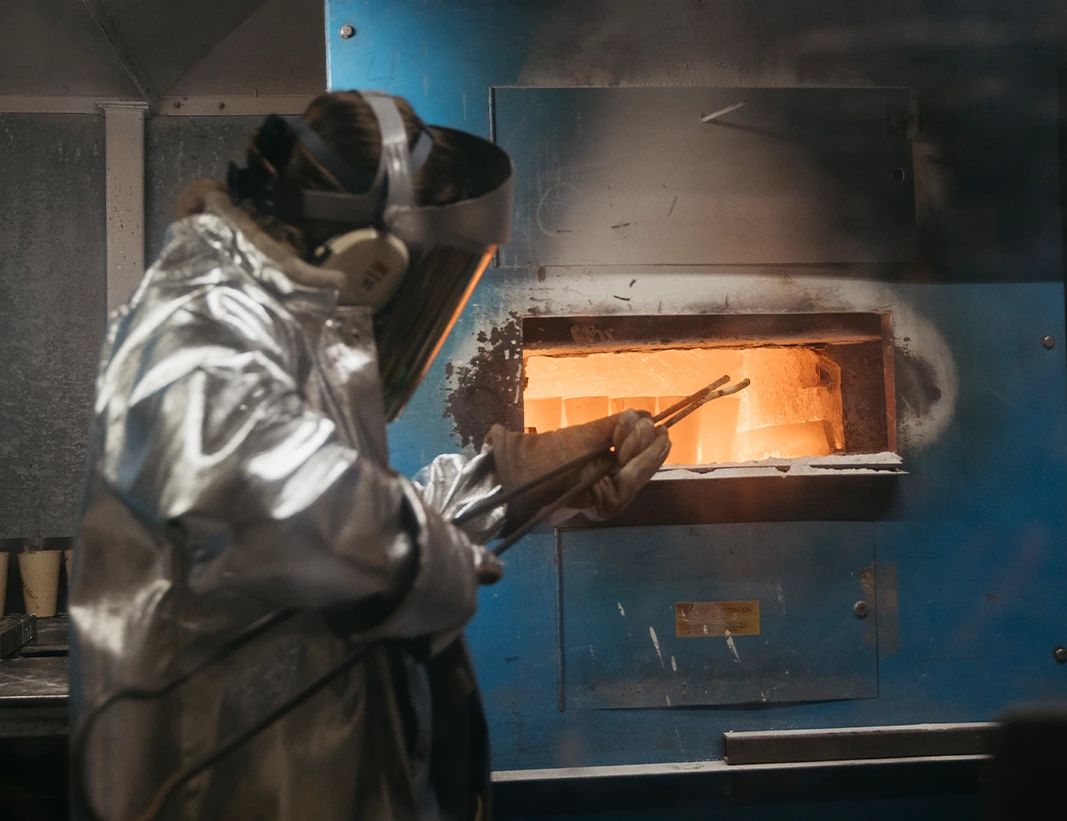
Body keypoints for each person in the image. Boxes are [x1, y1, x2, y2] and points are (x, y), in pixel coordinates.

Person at [68, 90, 669, 821]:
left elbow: (356, 517)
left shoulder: (280, 318)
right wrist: (447, 564)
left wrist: (522, 478)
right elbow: (297, 516)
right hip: (218, 789)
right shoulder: (198, 326)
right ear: (372, 258)